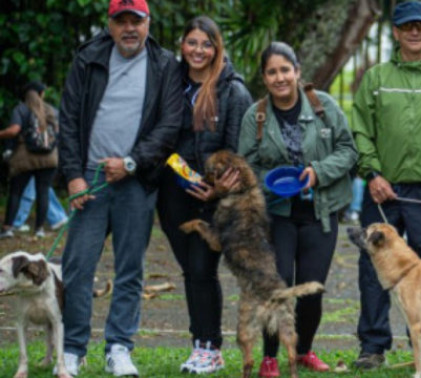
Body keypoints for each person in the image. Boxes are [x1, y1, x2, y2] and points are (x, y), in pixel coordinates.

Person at [57, 0, 184, 376]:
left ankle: (119, 347)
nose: (129, 28)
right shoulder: (88, 59)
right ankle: (73, 349)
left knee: (130, 269)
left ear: (148, 22)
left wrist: (132, 163)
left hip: (136, 182)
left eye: (136, 21)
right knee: (78, 266)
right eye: (121, 21)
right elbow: (68, 118)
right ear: (110, 25)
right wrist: (73, 175)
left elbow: (169, 125)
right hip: (90, 180)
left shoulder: (165, 66)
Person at [349, 0, 421, 370]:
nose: (415, 32)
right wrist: (372, 173)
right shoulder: (376, 77)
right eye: (407, 26)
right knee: (373, 271)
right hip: (383, 192)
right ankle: (372, 348)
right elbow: (360, 130)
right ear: (396, 32)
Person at [238, 41, 358, 377]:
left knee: (311, 288)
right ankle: (270, 357)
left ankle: (304, 350)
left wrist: (319, 172)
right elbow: (246, 165)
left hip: (320, 212)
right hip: (275, 214)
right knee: (276, 287)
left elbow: (348, 150)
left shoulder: (324, 107)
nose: (280, 78)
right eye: (272, 72)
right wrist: (269, 180)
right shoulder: (256, 115)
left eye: (285, 70)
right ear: (265, 77)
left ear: (297, 72)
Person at [156, 16, 252, 374]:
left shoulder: (233, 90)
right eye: (192, 42)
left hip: (216, 197)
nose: (198, 50)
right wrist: (180, 171)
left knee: (201, 267)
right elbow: (160, 135)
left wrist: (220, 185)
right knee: (190, 271)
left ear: (216, 48)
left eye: (206, 44)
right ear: (182, 45)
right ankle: (201, 343)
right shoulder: (169, 84)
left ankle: (209, 347)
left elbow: (238, 149)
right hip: (174, 193)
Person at [1, 82, 60, 239]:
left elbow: (14, 130)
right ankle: (39, 229)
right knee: (43, 192)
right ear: (41, 94)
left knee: (15, 192)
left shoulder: (21, 109)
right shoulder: (52, 110)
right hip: (49, 157)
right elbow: (59, 131)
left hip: (25, 158)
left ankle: (7, 228)